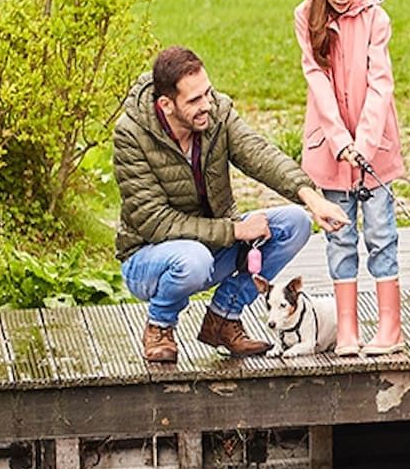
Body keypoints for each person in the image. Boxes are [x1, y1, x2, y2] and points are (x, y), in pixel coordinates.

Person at [114, 45, 348, 364]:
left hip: (214, 245)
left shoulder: (216, 114)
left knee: (295, 223)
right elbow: (155, 221)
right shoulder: (131, 135)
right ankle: (160, 326)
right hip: (150, 259)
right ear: (166, 105)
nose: (206, 105)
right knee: (191, 259)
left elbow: (258, 153)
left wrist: (311, 197)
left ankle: (224, 318)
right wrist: (234, 230)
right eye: (194, 100)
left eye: (207, 93)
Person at [295, 0, 407, 356]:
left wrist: (365, 139)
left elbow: (381, 83)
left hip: (374, 148)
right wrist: (340, 140)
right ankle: (346, 330)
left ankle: (389, 329)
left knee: (381, 233)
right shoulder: (306, 17)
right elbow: (316, 81)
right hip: (331, 150)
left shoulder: (376, 18)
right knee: (340, 237)